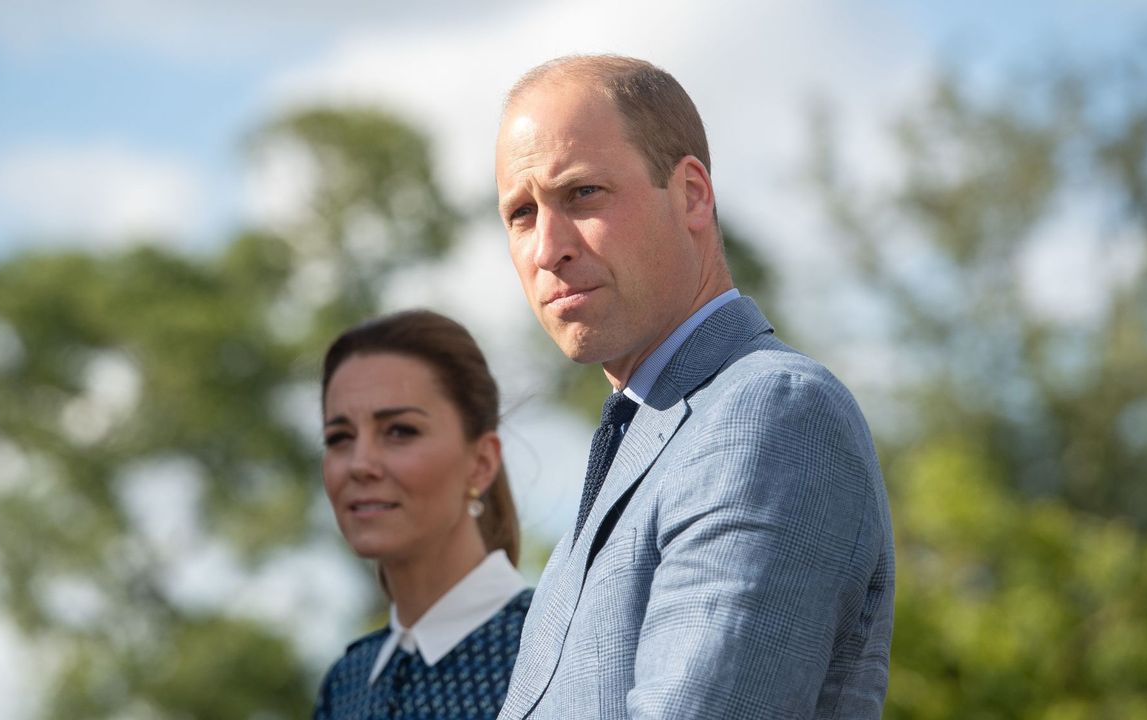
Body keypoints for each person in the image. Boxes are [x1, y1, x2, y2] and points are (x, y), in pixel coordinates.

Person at [494, 55, 895, 718]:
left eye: (583, 194)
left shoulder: (768, 413)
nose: (548, 248)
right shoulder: (636, 447)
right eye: (521, 214)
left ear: (692, 196)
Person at [312, 310, 532, 720]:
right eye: (339, 437)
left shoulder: (552, 650)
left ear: (482, 462)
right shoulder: (346, 684)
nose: (360, 464)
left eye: (400, 431)